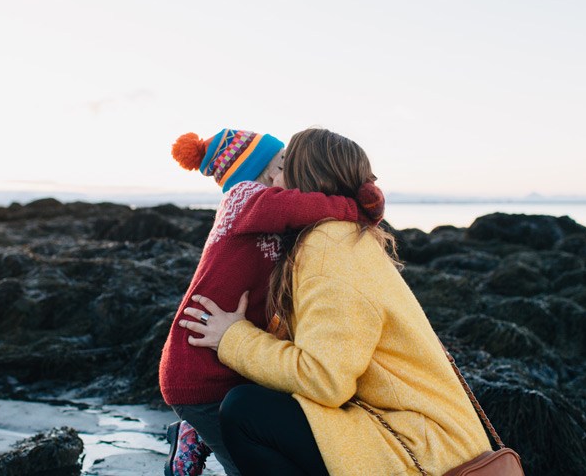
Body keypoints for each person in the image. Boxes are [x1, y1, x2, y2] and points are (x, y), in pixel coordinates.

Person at [179, 128, 492, 476]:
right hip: (428, 431)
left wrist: (233, 337)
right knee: (268, 395)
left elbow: (325, 380)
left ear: (303, 178)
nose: (274, 180)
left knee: (245, 411)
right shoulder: (349, 237)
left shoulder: (329, 247)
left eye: (284, 168)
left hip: (424, 448)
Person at [160, 128, 384, 476]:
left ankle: (194, 431)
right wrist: (355, 208)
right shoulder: (241, 198)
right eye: (283, 163)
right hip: (198, 372)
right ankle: (193, 434)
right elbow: (298, 205)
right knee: (244, 467)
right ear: (264, 171)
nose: (290, 173)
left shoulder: (271, 218)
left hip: (234, 364)